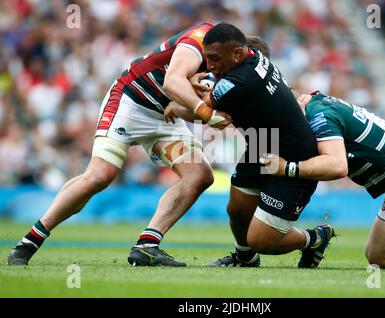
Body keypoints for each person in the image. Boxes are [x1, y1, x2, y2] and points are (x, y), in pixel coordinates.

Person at [7, 22, 233, 267]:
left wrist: (190, 108)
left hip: (164, 117)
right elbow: (172, 82)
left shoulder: (230, 68)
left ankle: (147, 246)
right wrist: (205, 112)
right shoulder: (200, 38)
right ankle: (29, 241)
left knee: (199, 175)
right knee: (100, 175)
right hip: (130, 102)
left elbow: (184, 109)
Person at [168, 23, 336, 269]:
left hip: (293, 153)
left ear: (237, 54)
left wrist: (177, 106)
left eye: (214, 59)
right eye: (207, 59)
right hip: (261, 142)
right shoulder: (252, 56)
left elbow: (213, 118)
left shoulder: (239, 82)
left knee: (260, 240)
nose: (210, 66)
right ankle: (244, 258)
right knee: (237, 209)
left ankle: (316, 238)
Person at [260, 91, 385, 268]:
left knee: (379, 255)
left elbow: (337, 165)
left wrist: (287, 168)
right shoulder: (318, 102)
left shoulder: (319, 116)